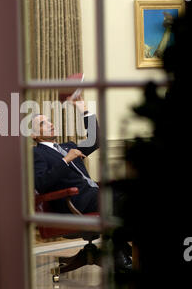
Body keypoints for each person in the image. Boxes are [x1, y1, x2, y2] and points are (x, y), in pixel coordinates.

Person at [32, 95, 132, 272]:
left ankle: (122, 248)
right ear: (33, 134)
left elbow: (95, 140)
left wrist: (83, 109)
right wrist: (65, 160)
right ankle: (119, 251)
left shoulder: (68, 145)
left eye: (49, 121)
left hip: (93, 194)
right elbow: (41, 184)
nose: (51, 124)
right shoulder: (37, 154)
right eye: (43, 123)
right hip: (76, 202)